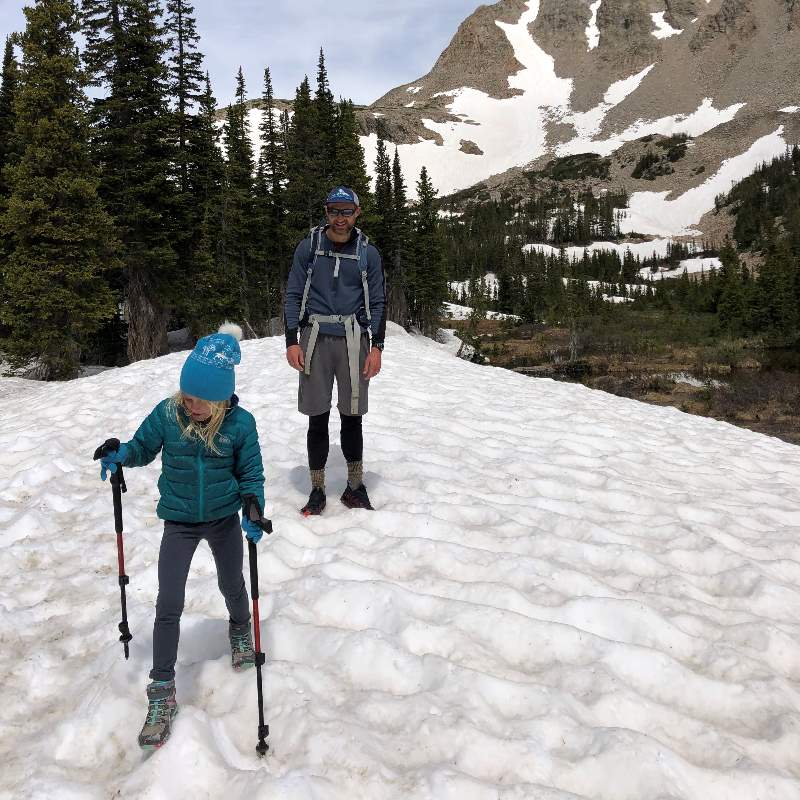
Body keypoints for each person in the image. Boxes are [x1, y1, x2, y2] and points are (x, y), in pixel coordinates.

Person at [94, 323, 267, 750]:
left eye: (199, 400)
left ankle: (240, 628)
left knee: (232, 584)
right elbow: (142, 447)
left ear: (221, 398)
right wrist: (121, 456)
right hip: (180, 520)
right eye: (187, 395)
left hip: (224, 518)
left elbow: (252, 475)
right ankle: (161, 689)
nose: (190, 405)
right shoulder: (169, 415)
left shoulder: (240, 425)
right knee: (168, 601)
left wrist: (253, 507)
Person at [284, 186, 386, 515]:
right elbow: (293, 292)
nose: (339, 219)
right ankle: (317, 489)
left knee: (352, 415)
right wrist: (291, 340)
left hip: (354, 339)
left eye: (346, 212)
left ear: (357, 213)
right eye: (333, 211)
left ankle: (354, 486)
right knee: (317, 416)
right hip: (314, 337)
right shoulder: (309, 248)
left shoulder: (368, 253)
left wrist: (377, 346)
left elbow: (379, 301)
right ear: (326, 212)